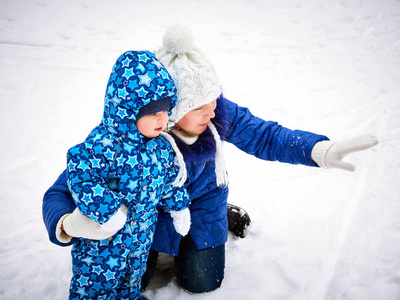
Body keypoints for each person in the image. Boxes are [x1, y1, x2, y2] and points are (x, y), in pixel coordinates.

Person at [43, 25, 378, 295]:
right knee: (137, 279)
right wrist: (66, 224)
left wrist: (319, 150)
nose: (214, 110)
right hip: (147, 216)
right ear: (170, 111)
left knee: (202, 281)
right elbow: (61, 191)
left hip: (203, 202)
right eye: (200, 106)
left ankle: (225, 214)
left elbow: (265, 135)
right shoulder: (131, 136)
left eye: (215, 98)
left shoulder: (215, 113)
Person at [61, 50, 192, 300]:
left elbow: (168, 182)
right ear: (127, 111)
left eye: (165, 110)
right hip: (102, 244)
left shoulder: (161, 147)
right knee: (97, 287)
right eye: (153, 113)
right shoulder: (104, 145)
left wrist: (179, 206)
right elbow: (81, 175)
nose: (162, 119)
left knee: (133, 278)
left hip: (140, 236)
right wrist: (107, 211)